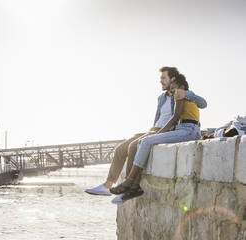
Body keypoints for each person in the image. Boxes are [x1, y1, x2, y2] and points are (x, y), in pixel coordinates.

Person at [85, 67, 207, 196]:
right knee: (120, 148)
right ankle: (107, 185)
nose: (160, 81)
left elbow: (201, 104)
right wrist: (151, 129)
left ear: (173, 79)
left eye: (163, 78)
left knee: (133, 147)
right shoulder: (161, 98)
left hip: (165, 130)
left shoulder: (179, 94)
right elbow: (159, 117)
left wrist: (186, 94)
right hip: (154, 129)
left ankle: (130, 186)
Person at [110, 74, 202, 203]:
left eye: (174, 86)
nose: (172, 89)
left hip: (189, 130)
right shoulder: (177, 96)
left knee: (146, 141)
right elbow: (175, 118)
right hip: (183, 129)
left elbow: (176, 116)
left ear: (181, 86)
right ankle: (134, 185)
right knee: (143, 142)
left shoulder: (184, 94)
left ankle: (130, 181)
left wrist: (159, 133)